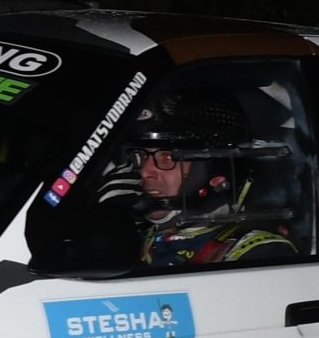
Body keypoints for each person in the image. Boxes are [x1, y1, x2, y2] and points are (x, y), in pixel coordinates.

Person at [125, 92, 296, 266]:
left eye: (167, 158)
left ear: (215, 175)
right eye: (141, 156)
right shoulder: (134, 239)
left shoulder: (261, 254)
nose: (145, 172)